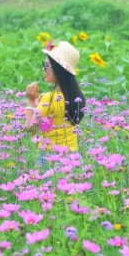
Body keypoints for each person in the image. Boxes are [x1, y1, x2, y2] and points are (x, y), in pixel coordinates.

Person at [24, 40, 86, 169]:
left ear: (58, 69)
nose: (43, 69)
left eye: (46, 65)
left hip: (50, 158)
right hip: (74, 158)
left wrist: (31, 101)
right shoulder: (78, 96)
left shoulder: (49, 99)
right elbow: (52, 124)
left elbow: (30, 130)